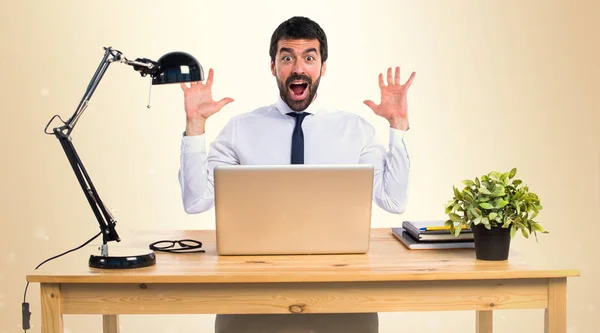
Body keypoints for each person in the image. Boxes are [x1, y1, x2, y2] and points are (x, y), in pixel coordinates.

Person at [178, 16, 415, 333]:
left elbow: (393, 200)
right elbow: (196, 202)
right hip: (252, 294)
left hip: (342, 294)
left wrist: (397, 126)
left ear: (323, 66)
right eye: (287, 57)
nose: (298, 68)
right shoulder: (239, 130)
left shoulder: (355, 130)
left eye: (309, 57)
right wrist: (195, 127)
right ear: (273, 66)